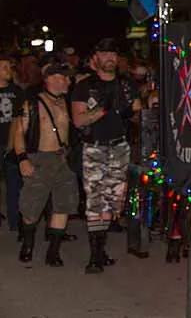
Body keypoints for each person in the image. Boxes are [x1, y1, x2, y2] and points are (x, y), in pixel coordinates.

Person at [70, 38, 142, 273]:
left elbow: (138, 114)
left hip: (120, 147)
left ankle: (100, 251)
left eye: (113, 54)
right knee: (95, 200)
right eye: (104, 53)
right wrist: (102, 110)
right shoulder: (85, 86)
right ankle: (94, 256)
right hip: (94, 147)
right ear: (96, 58)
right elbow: (78, 120)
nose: (110, 58)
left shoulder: (127, 84)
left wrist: (132, 113)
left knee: (113, 201)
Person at [11, 61, 78, 266]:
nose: (67, 81)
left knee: (63, 205)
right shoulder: (32, 103)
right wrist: (22, 159)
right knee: (31, 207)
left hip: (63, 159)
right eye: (62, 77)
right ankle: (28, 244)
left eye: (67, 77)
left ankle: (53, 252)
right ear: (49, 79)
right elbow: (19, 132)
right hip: (39, 159)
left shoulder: (67, 102)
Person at [1, 54, 24, 233]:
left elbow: (21, 119)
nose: (9, 71)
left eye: (10, 67)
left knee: (14, 184)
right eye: (4, 67)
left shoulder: (17, 91)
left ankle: (15, 221)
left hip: (11, 144)